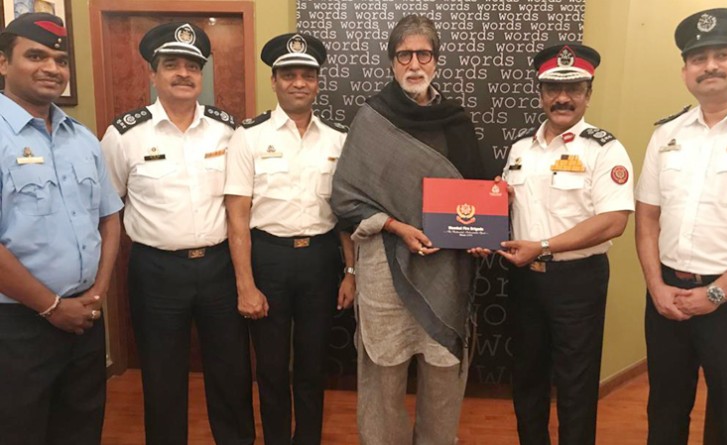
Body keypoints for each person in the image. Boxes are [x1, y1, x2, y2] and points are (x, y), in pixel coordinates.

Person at [330, 15, 485, 445]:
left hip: (447, 268)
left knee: (441, 373)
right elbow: (345, 199)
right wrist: (397, 227)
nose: (414, 64)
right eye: (404, 55)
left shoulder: (456, 120)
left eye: (424, 54)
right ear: (392, 62)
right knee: (383, 374)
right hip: (385, 270)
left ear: (436, 61)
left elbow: (476, 192)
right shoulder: (371, 120)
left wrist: (482, 234)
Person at [100, 22, 254, 445]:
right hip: (156, 272)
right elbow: (108, 206)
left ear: (201, 75)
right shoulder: (124, 135)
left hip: (219, 267)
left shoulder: (228, 130)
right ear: (153, 73)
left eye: (192, 65)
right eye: (172, 65)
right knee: (162, 376)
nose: (183, 73)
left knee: (232, 372)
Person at [498, 43, 634, 445]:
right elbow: (507, 206)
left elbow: (613, 221)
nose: (563, 98)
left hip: (578, 281)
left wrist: (541, 245)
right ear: (540, 94)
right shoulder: (520, 148)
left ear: (588, 94)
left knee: (576, 385)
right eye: (553, 89)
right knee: (527, 379)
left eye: (574, 88)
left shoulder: (605, 149)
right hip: (525, 282)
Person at [224, 33, 355, 445]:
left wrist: (350, 272)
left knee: (314, 366)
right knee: (272, 367)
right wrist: (245, 284)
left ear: (317, 82)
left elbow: (345, 218)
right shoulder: (249, 136)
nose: (298, 82)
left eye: (307, 75)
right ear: (274, 81)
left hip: (320, 260)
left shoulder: (337, 140)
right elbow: (237, 217)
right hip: (269, 259)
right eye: (289, 75)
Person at [0, 12, 123, 444]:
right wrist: (51, 306)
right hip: (17, 326)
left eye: (59, 59)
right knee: (20, 431)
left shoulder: (82, 138)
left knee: (81, 429)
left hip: (84, 318)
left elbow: (109, 216)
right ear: (2, 62)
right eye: (35, 55)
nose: (52, 68)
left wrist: (99, 292)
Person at [635, 8, 727, 445]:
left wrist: (717, 293)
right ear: (685, 71)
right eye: (698, 59)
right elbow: (647, 218)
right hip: (667, 300)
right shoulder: (667, 134)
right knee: (664, 408)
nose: (710, 67)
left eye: (722, 54)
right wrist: (655, 286)